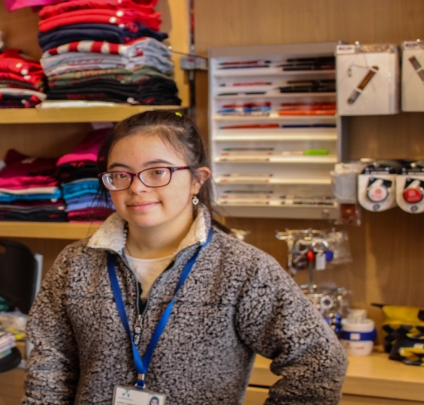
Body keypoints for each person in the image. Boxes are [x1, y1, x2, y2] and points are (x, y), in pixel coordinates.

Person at [22, 111, 347, 405]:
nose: (137, 188)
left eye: (158, 171)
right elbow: (49, 365)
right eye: (121, 175)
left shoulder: (243, 269)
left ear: (197, 179)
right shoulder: (75, 264)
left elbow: (319, 362)